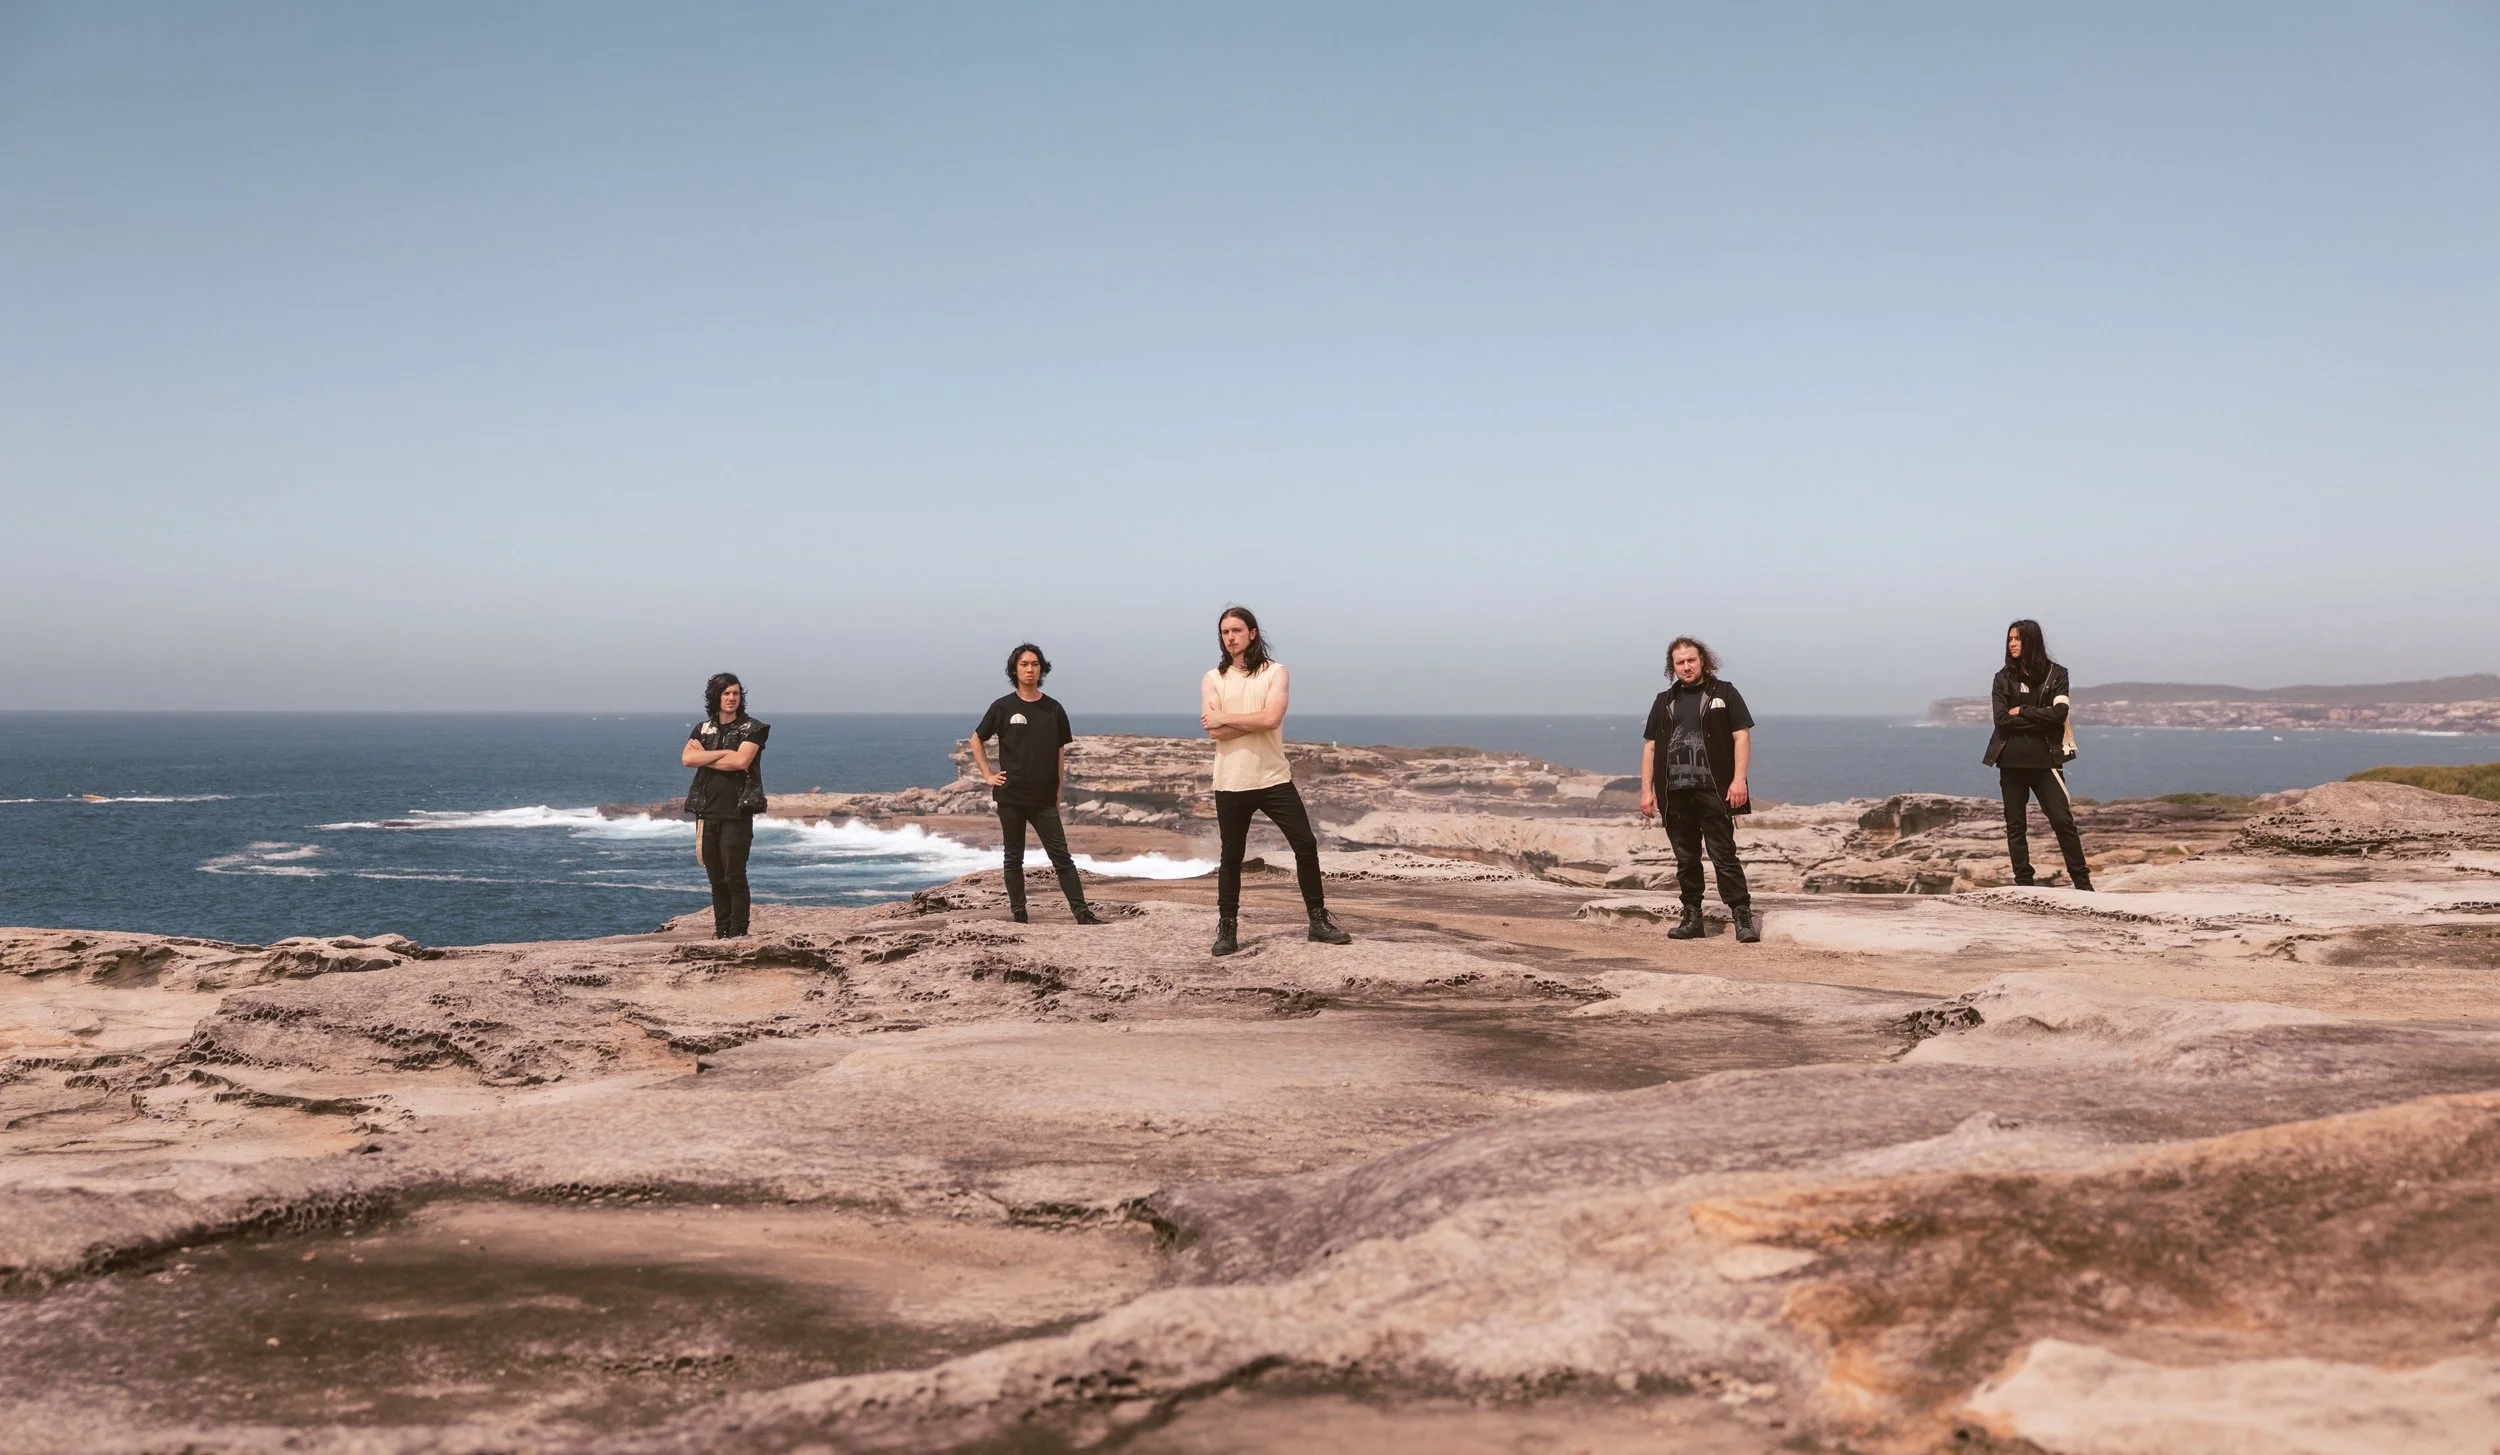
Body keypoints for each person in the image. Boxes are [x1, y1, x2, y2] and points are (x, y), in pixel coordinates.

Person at [1199, 606, 1352, 956]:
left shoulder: (1276, 673)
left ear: (1253, 633)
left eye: (1236, 630)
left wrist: (1228, 719)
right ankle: (1227, 929)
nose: (1230, 637)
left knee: (1306, 844)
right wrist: (1237, 721)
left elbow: (1271, 717)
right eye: (1224, 632)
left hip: (1272, 778)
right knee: (1231, 857)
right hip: (1231, 780)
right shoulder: (1213, 678)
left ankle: (1318, 921)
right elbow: (1212, 731)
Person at [968, 643, 1105, 925]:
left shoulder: (1053, 708)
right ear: (1014, 669)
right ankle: (1019, 914)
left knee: (1062, 858)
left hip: (1043, 799)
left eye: (1034, 664)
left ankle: (1082, 913)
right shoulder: (1002, 707)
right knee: (1013, 857)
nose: (1029, 669)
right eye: (1024, 664)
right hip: (1011, 797)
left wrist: (1058, 792)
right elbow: (976, 739)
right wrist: (987, 775)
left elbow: (1059, 753)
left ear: (1041, 669)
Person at [1638, 637, 1761, 943]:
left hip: (1714, 789)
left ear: (1702, 660)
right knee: (1686, 858)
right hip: (1675, 792)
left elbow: (1741, 738)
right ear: (1672, 666)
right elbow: (1651, 748)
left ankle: (1742, 918)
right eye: (1680, 662)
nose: (1686, 666)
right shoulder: (1664, 700)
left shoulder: (1725, 693)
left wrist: (1739, 780)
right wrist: (1646, 791)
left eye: (1691, 660)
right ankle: (1692, 918)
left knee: (1724, 855)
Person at [1984, 619, 2093, 890]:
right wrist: (2040, 718)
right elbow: (2001, 720)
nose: (2012, 644)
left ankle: (2083, 884)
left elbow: (2059, 715)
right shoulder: (2002, 678)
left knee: (2062, 821)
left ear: (2031, 641)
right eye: (2009, 639)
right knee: (2015, 825)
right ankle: (2024, 883)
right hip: (2010, 761)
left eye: (2017, 639)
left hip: (2047, 761)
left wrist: (2021, 711)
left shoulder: (2057, 674)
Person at [680, 672, 769, 938]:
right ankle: (721, 933)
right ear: (716, 696)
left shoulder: (754, 728)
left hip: (737, 812)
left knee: (734, 876)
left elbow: (741, 762)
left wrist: (703, 756)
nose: (732, 698)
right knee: (716, 879)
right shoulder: (702, 729)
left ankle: (738, 933)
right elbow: (687, 759)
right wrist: (722, 753)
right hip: (706, 812)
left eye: (736, 693)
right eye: (726, 693)